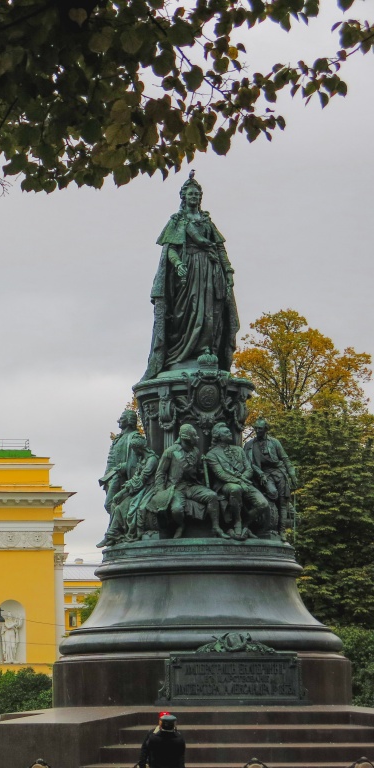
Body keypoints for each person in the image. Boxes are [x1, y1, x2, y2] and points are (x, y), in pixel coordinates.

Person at [144, 170, 239, 380]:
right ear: (184, 197)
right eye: (191, 194)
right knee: (187, 310)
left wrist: (229, 271)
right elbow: (170, 248)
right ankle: (180, 354)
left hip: (210, 270)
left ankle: (207, 349)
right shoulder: (178, 220)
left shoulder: (206, 221)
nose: (194, 197)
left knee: (211, 313)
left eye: (197, 194)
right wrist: (178, 264)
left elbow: (220, 248)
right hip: (188, 271)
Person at [152, 423, 227, 539]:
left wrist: (203, 468)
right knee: (177, 509)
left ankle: (216, 527)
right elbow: (160, 473)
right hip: (176, 488)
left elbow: (198, 472)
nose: (197, 438)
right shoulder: (170, 451)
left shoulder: (196, 451)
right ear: (186, 438)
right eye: (194, 436)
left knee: (212, 496)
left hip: (192, 486)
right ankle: (180, 525)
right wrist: (161, 492)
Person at [205, 423, 270, 539]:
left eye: (229, 431)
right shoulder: (212, 454)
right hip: (225, 485)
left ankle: (246, 524)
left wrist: (243, 478)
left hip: (245, 482)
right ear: (219, 436)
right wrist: (239, 482)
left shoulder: (239, 450)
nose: (230, 433)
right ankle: (237, 522)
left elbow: (249, 468)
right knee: (235, 489)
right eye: (226, 432)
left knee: (263, 504)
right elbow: (221, 474)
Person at [245, 418, 298, 537]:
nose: (257, 430)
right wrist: (260, 474)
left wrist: (292, 474)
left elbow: (285, 459)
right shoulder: (249, 445)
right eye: (255, 428)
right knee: (273, 492)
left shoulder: (274, 442)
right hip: (263, 474)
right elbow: (249, 464)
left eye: (260, 428)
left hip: (279, 472)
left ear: (266, 429)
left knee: (282, 502)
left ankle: (282, 531)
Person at [98, 410, 141, 546]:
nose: (119, 421)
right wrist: (107, 477)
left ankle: (116, 531)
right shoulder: (118, 439)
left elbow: (137, 462)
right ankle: (117, 531)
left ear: (129, 420)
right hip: (113, 476)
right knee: (111, 504)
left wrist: (125, 466)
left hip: (125, 477)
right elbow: (110, 459)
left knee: (110, 504)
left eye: (121, 418)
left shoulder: (135, 437)